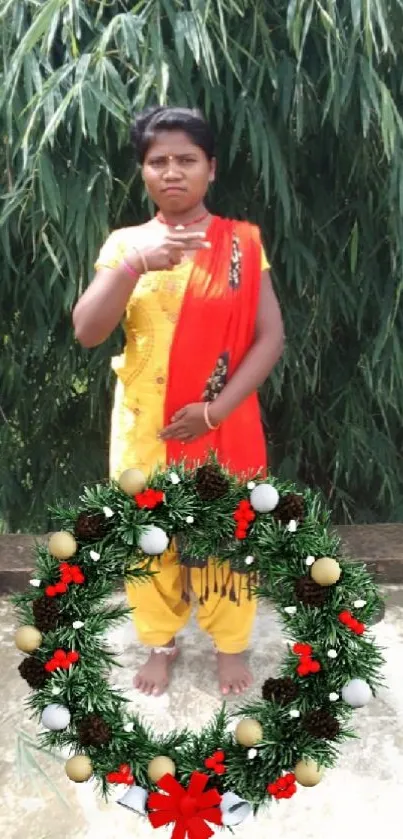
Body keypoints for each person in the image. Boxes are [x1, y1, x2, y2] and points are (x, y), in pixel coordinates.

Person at [73, 106, 284, 698]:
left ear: (210, 169)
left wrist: (213, 413)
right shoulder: (126, 243)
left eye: (186, 160)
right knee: (150, 540)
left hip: (222, 424)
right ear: (142, 172)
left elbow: (271, 337)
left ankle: (229, 644)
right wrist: (136, 265)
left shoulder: (240, 246)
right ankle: (161, 641)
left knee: (223, 537)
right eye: (157, 161)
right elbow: (88, 330)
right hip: (146, 428)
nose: (172, 172)